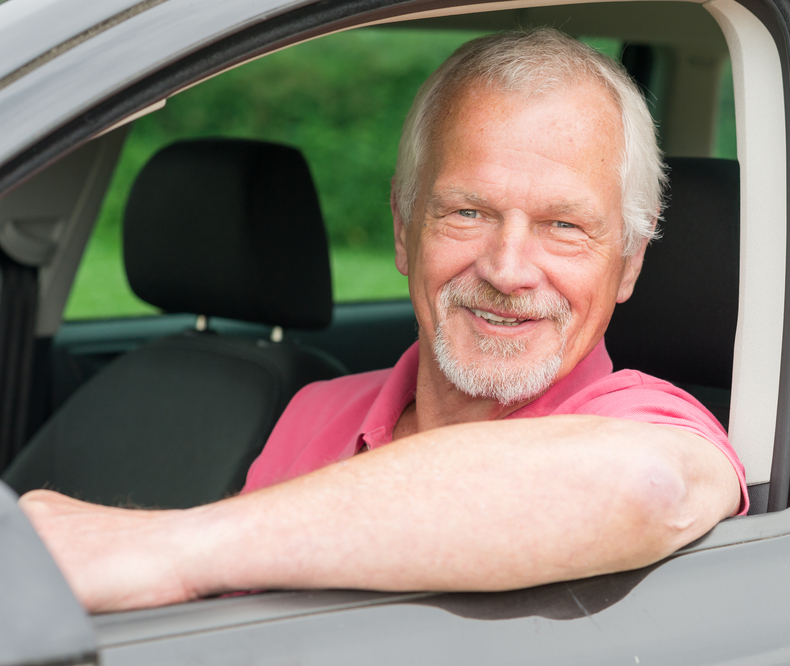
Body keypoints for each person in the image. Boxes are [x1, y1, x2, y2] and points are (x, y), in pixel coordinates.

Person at [19, 28, 747, 613]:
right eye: (468, 212)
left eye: (563, 226)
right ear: (404, 229)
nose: (507, 267)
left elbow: (647, 487)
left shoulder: (643, 420)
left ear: (628, 264)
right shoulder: (315, 408)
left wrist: (163, 549)